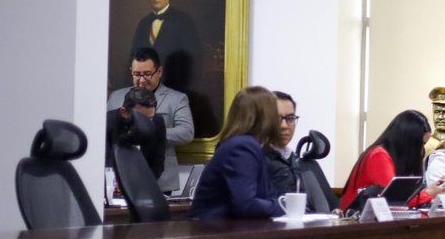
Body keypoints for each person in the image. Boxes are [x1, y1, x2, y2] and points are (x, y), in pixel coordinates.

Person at [190, 87, 285, 221]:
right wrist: (284, 207)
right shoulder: (242, 147)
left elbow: (265, 195)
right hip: (214, 229)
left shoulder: (242, 144)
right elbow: (247, 205)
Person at [107, 47, 194, 193]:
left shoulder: (177, 98)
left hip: (159, 179)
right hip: (117, 181)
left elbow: (186, 132)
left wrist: (150, 131)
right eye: (136, 74)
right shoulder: (116, 97)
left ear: (159, 72)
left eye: (147, 74)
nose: (141, 80)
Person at [340, 109, 431, 211]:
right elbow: (395, 199)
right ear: (408, 140)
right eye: (420, 144)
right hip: (354, 217)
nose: (421, 150)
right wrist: (429, 194)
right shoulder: (378, 155)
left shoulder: (394, 156)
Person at [128, 0, 201, 94]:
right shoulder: (143, 23)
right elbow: (133, 58)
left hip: (174, 90)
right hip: (144, 90)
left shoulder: (184, 20)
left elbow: (193, 60)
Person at [105, 86, 166, 181]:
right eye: (141, 117)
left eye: (150, 118)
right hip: (111, 180)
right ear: (124, 112)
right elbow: (105, 162)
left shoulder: (157, 122)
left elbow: (157, 163)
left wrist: (143, 185)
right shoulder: (107, 122)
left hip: (143, 181)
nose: (145, 123)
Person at [266, 90, 301, 196]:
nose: (284, 126)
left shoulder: (293, 158)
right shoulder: (256, 158)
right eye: (277, 118)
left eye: (290, 118)